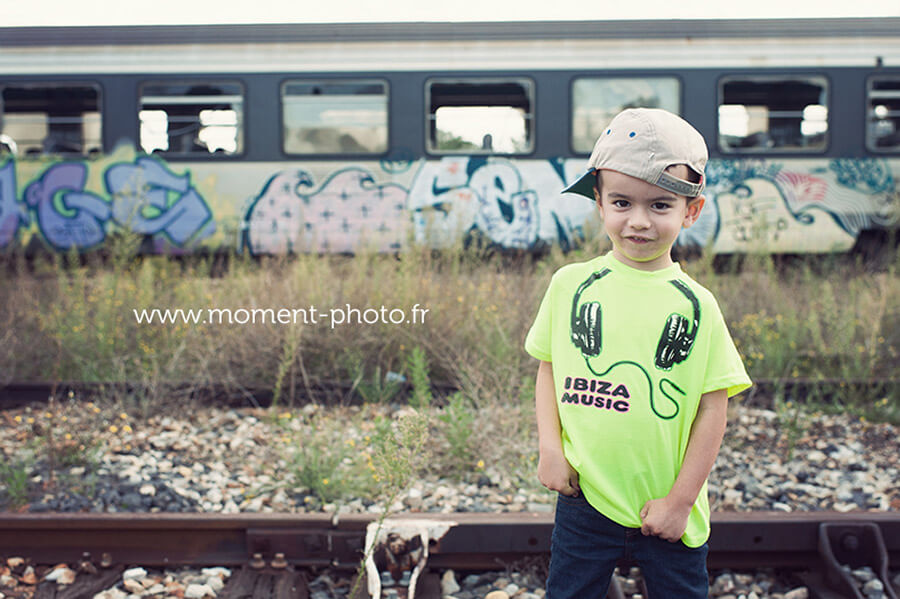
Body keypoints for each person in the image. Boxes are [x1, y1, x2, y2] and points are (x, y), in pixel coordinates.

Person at [524, 108, 751, 598]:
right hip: (585, 497)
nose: (639, 222)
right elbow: (549, 370)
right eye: (622, 202)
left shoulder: (696, 306)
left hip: (668, 505)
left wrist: (681, 500)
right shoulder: (571, 286)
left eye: (661, 206)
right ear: (599, 204)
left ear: (691, 211)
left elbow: (713, 409)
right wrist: (550, 447)